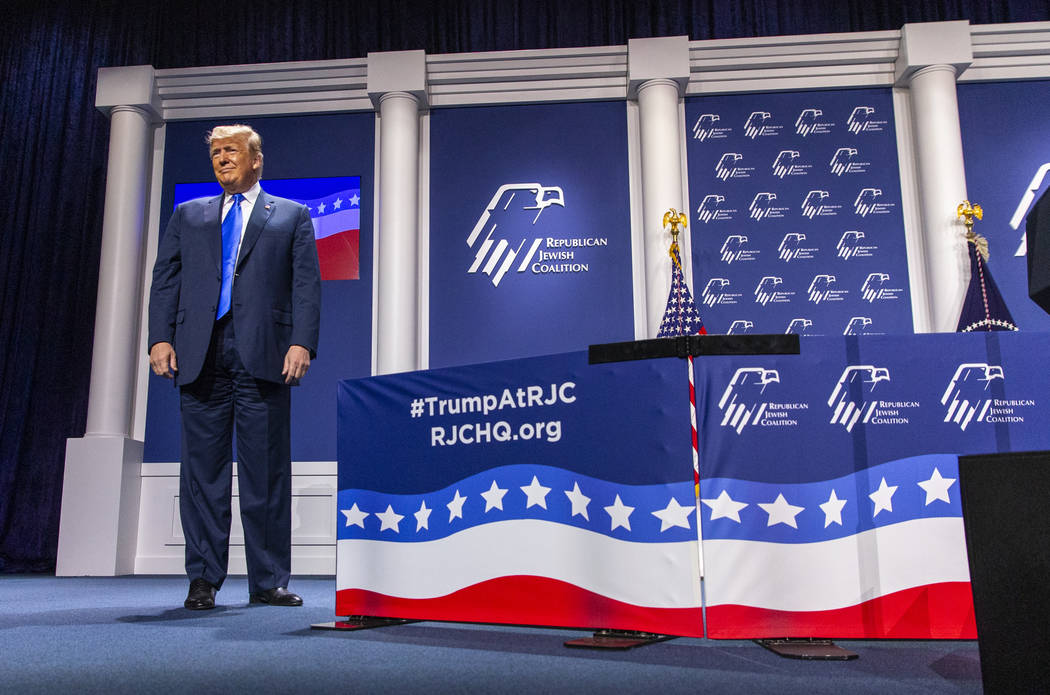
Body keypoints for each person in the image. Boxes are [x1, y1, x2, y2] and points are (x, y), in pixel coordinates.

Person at [147, 124, 321, 610]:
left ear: (256, 159)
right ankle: (203, 578)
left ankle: (268, 581)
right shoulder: (189, 215)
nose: (223, 159)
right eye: (216, 153)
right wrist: (160, 337)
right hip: (200, 352)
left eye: (232, 151)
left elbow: (306, 286)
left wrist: (302, 342)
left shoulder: (291, 215)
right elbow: (166, 280)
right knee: (202, 473)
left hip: (265, 352)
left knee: (266, 472)